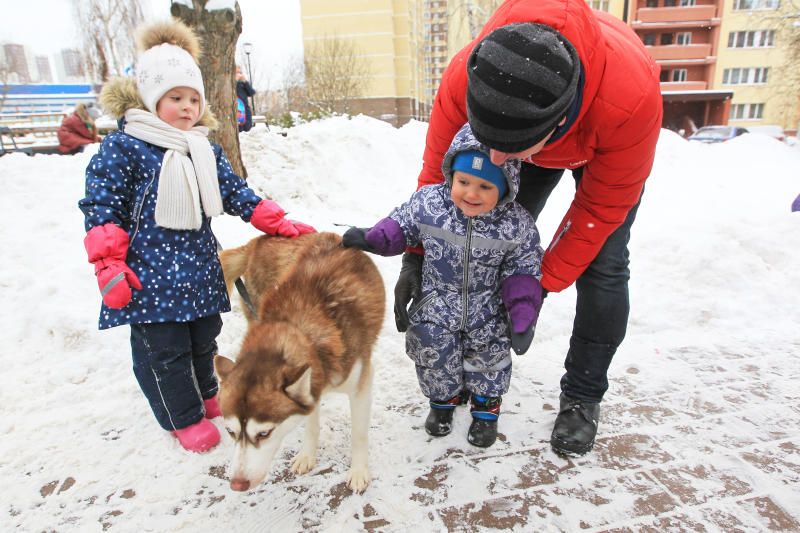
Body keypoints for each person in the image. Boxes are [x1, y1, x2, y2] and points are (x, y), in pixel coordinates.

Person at [394, 0, 663, 456]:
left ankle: (582, 396)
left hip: (601, 134)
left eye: (509, 149)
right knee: (477, 237)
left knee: (604, 266)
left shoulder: (629, 100)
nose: (495, 161)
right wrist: (417, 254)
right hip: (533, 130)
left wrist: (536, 285)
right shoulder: (468, 73)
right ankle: (463, 369)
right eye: (488, 143)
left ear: (559, 122)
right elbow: (438, 187)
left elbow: (599, 211)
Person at [78, 20, 314, 453]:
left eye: (193, 98)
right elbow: (102, 207)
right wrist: (108, 263)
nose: (187, 107)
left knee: (203, 337)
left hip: (198, 267)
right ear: (152, 100)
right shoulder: (125, 148)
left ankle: (207, 395)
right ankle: (180, 418)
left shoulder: (203, 148)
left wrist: (273, 219)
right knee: (163, 352)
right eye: (175, 98)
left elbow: (235, 192)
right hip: (148, 275)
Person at [343, 123, 544, 447]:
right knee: (431, 350)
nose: (471, 193)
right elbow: (402, 225)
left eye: (484, 186)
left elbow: (523, 268)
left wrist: (522, 314)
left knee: (490, 355)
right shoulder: (430, 205)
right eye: (463, 181)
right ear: (451, 175)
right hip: (436, 300)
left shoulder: (515, 224)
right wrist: (373, 238)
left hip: (487, 306)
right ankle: (443, 402)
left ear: (504, 189)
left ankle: (485, 410)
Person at [235, 66, 256, 132]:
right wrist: (235, 81)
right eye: (237, 72)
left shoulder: (243, 83)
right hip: (236, 110)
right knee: (239, 129)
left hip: (245, 109)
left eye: (240, 72)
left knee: (247, 127)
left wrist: (246, 82)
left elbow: (252, 93)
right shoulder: (232, 83)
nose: (239, 74)